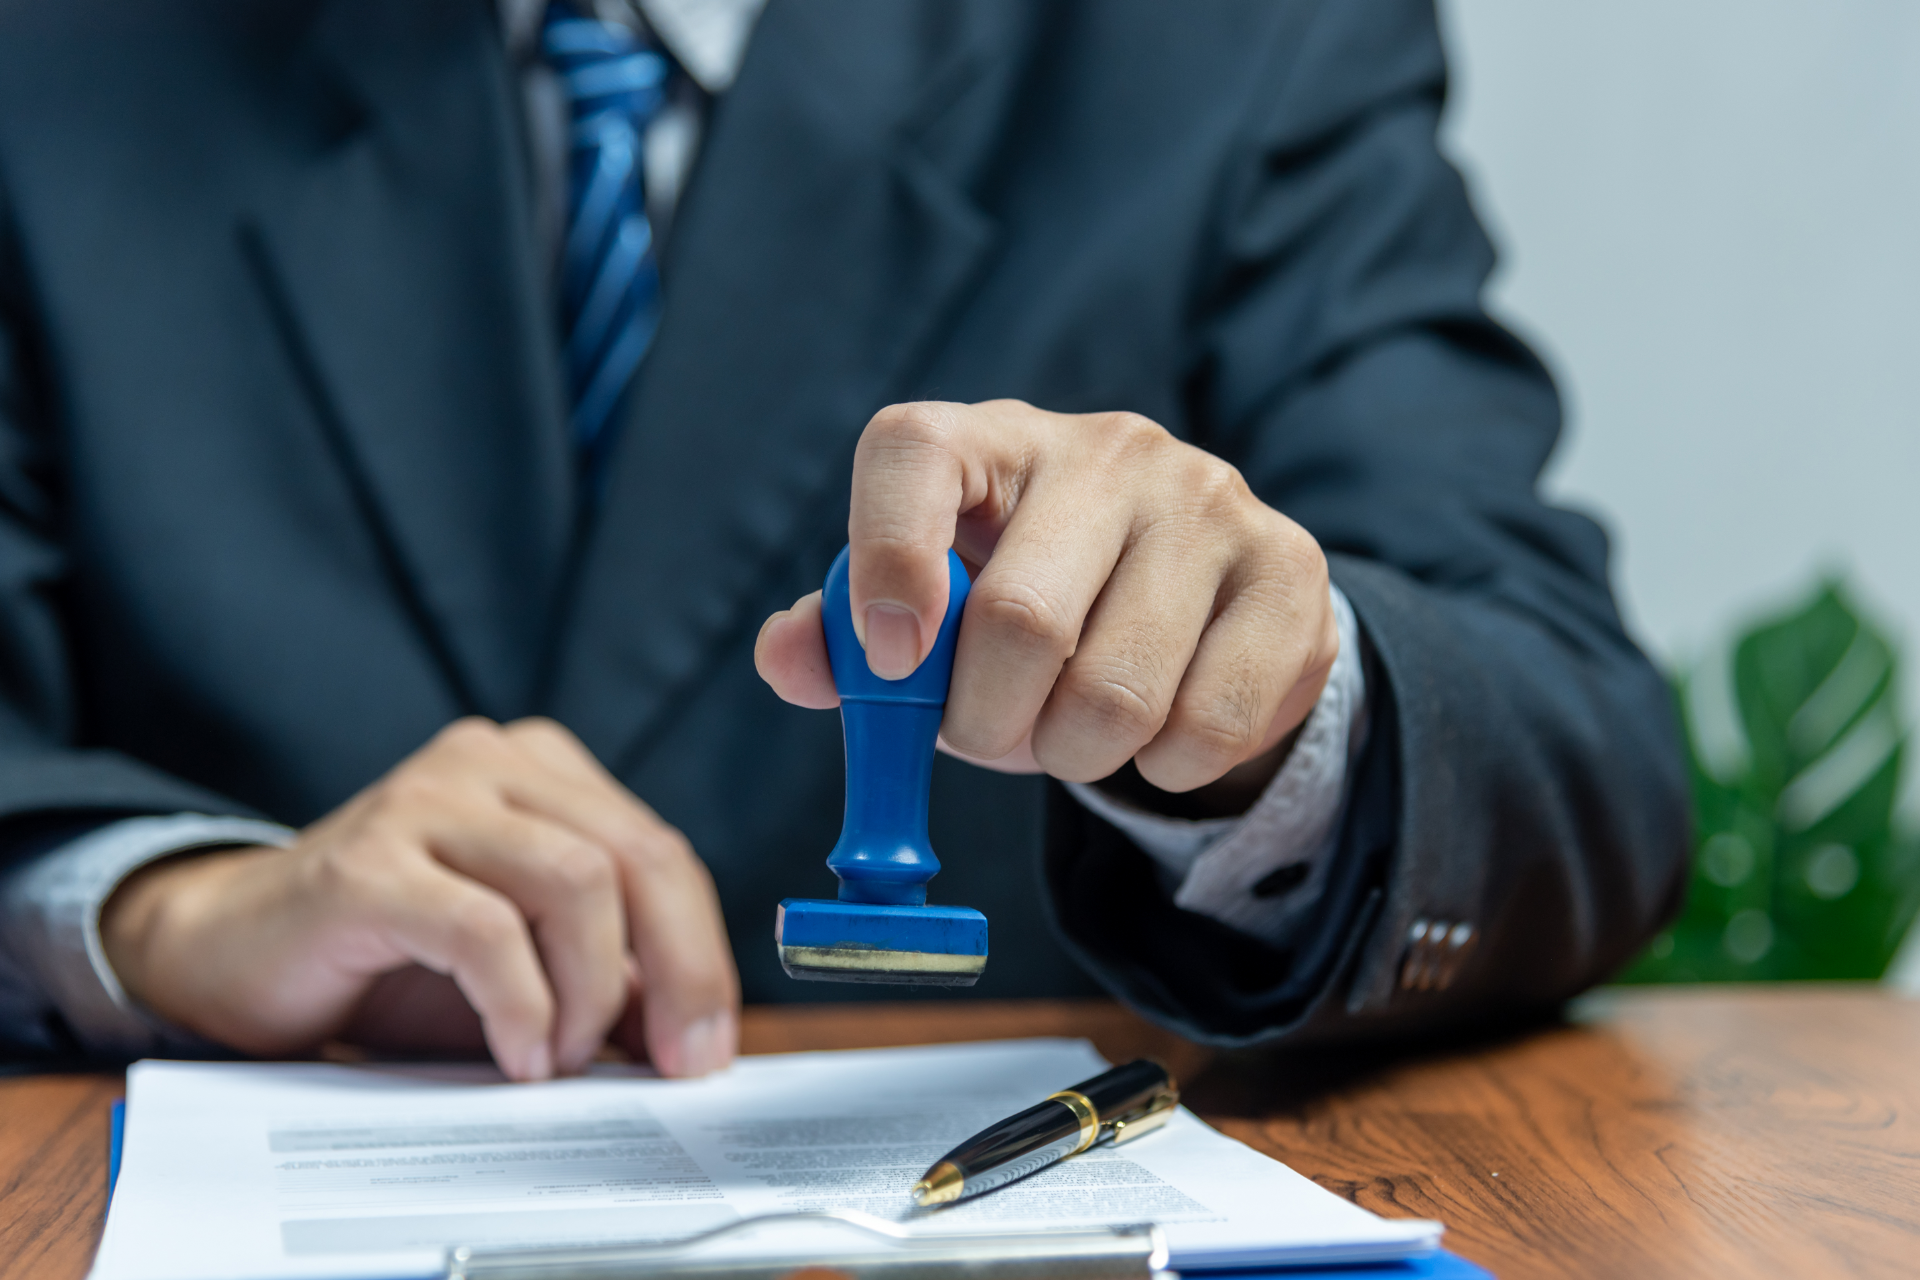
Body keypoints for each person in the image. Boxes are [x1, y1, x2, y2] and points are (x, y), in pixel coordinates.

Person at [0, 0, 1687, 1081]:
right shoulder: (60, 65)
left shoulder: (1239, 42)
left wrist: (1278, 719)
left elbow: (1574, 744)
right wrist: (154, 912)